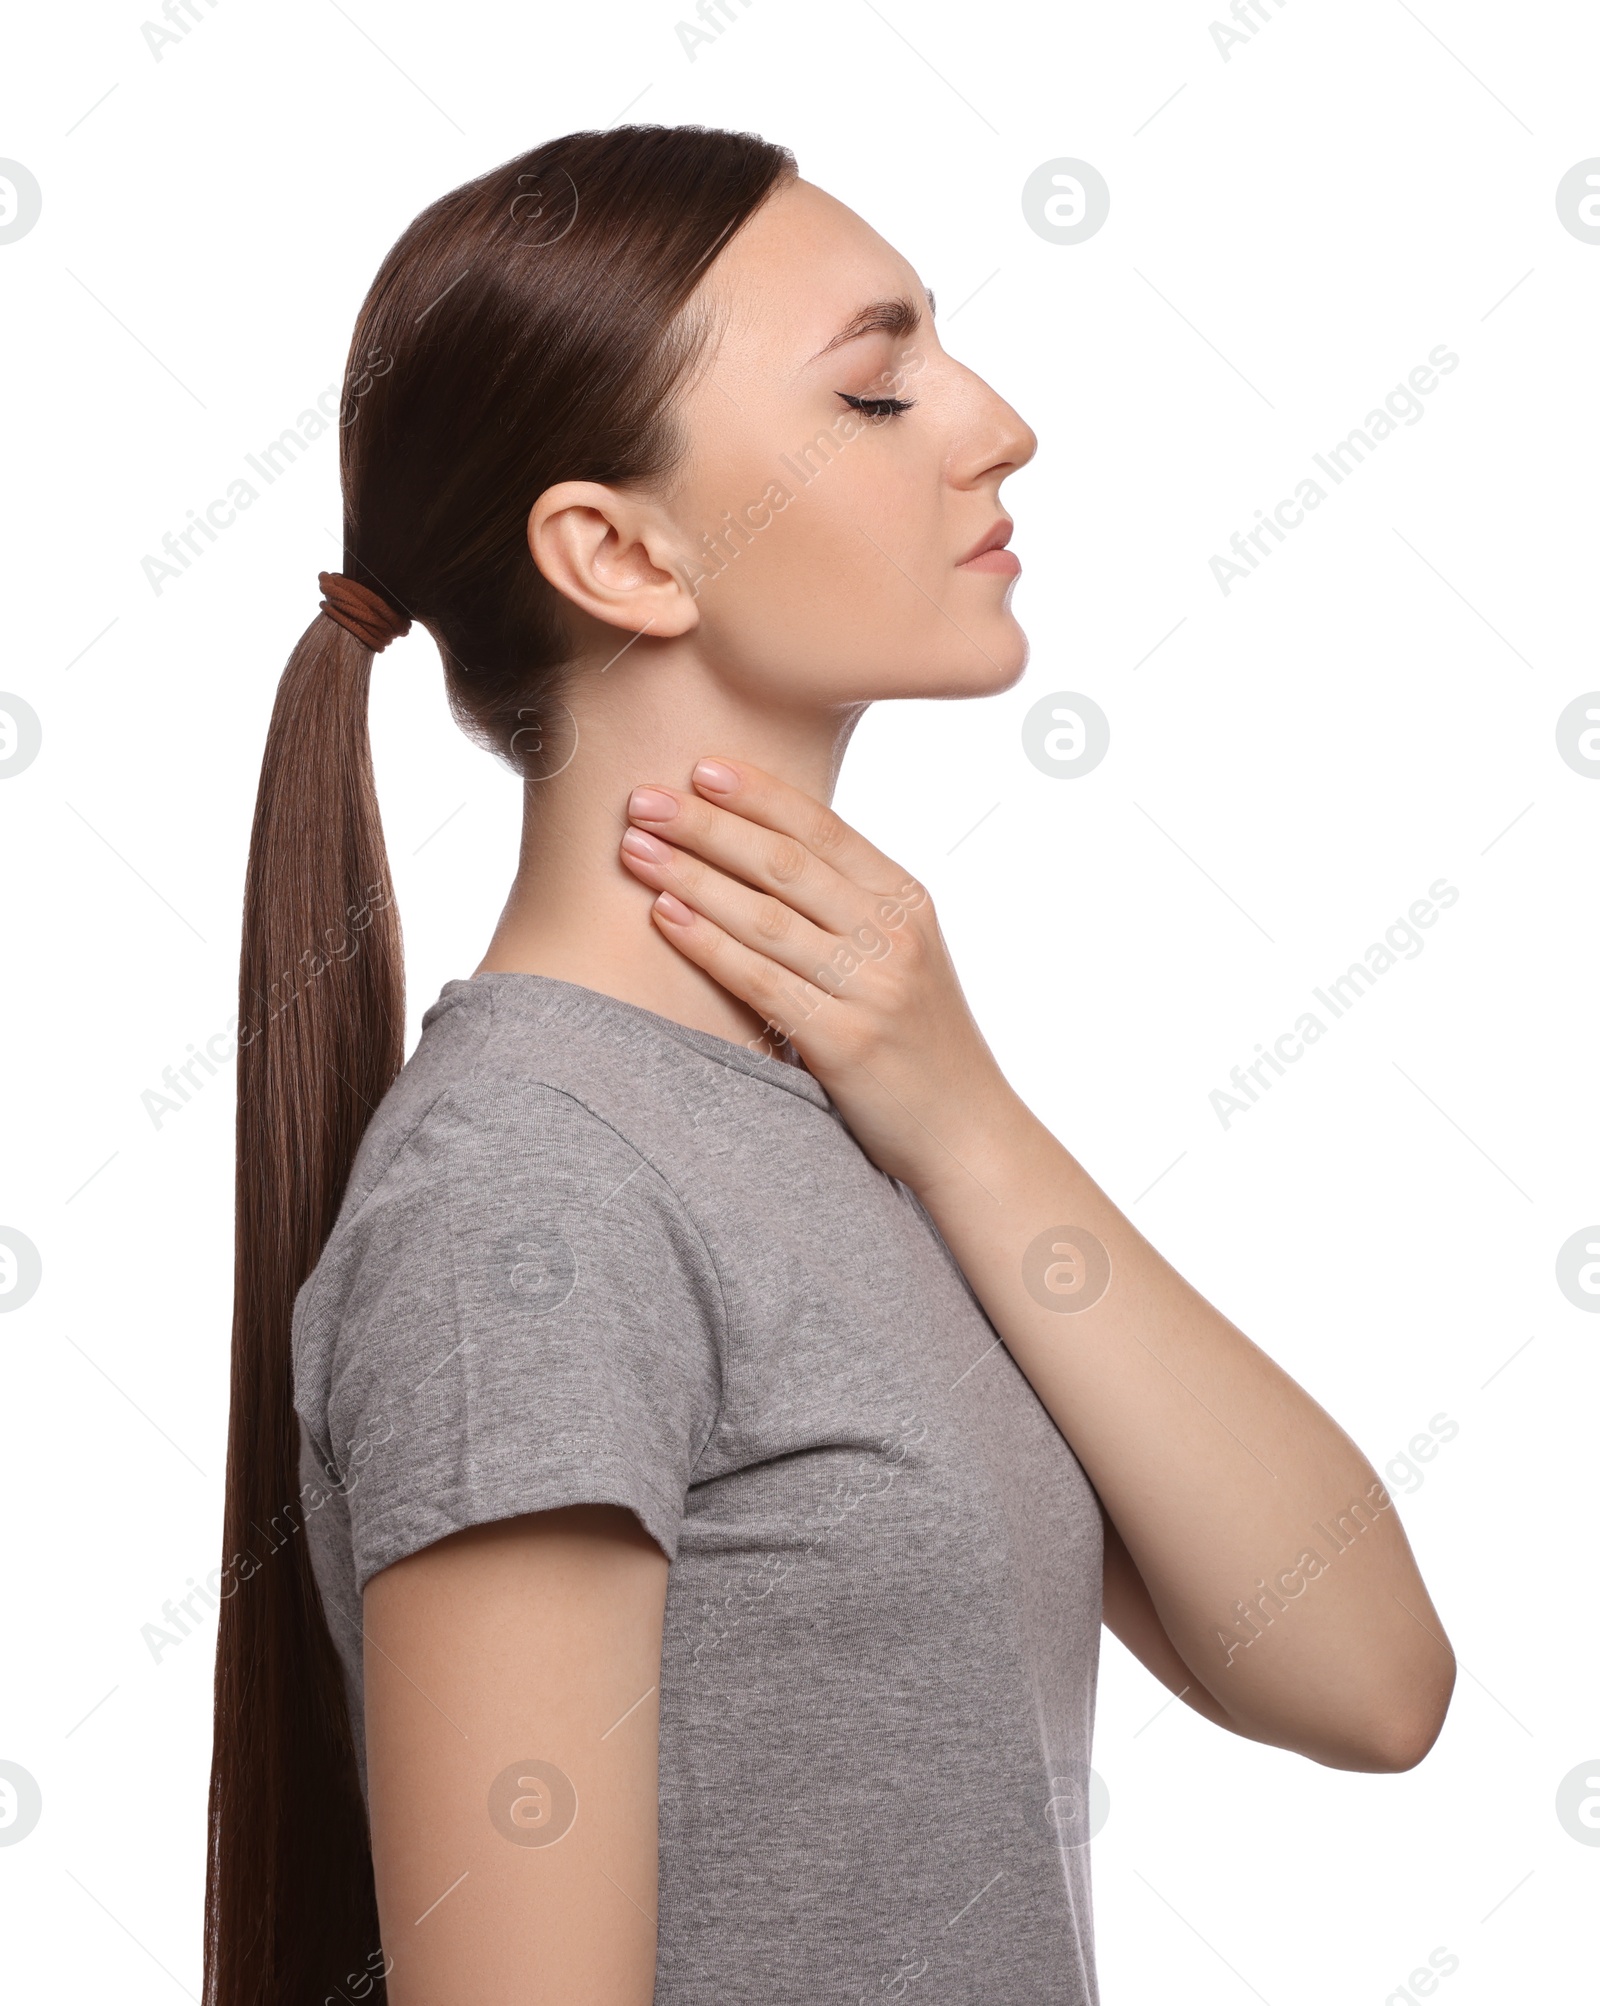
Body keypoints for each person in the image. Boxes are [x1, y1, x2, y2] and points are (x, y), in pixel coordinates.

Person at [207, 123, 1454, 2006]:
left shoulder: (858, 1118)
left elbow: (1365, 1677)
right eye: (878, 391)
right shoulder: (528, 1197)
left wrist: (959, 1110)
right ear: (619, 551)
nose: (997, 421)